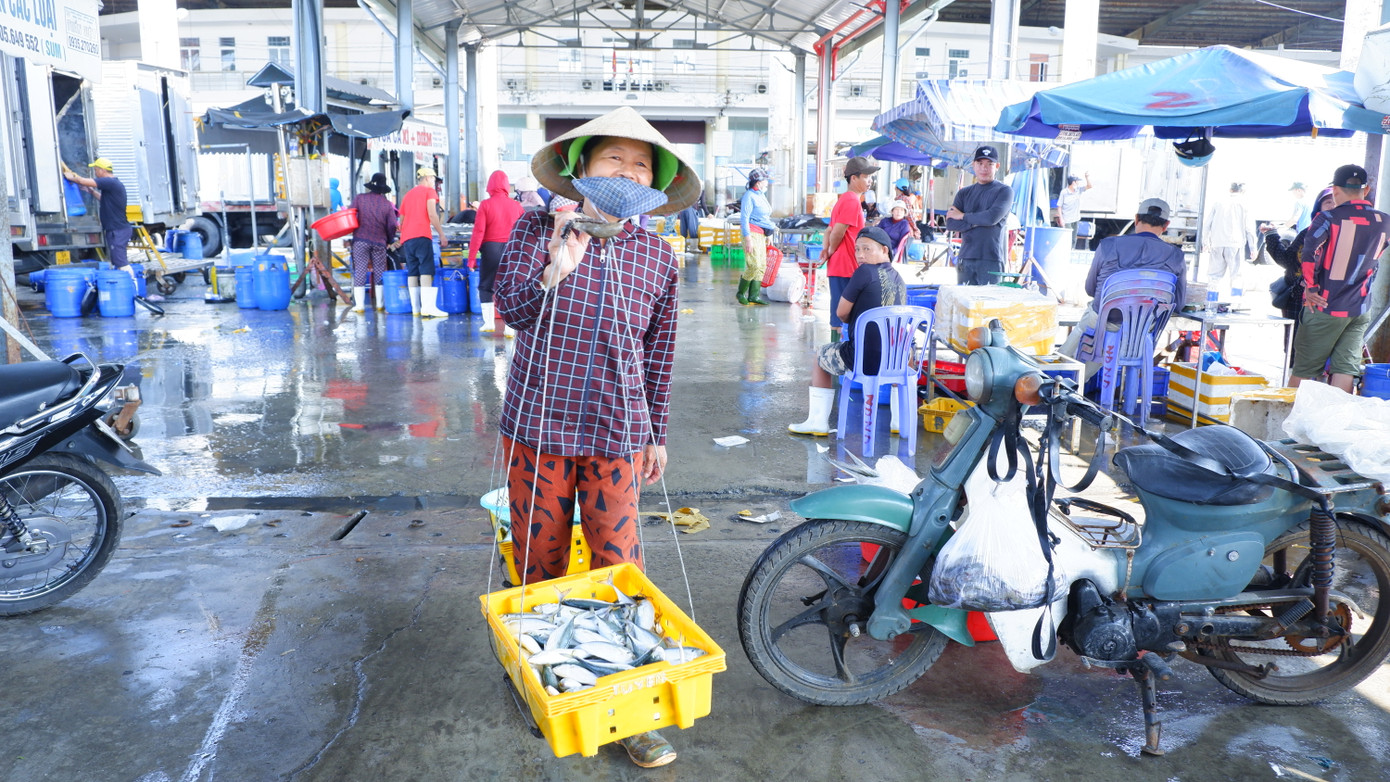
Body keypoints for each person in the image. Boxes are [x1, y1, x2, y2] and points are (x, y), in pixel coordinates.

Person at [493, 105, 701, 769]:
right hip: (539, 426)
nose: (628, 171)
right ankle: (542, 678)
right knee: (538, 564)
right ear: (580, 168)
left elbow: (660, 355)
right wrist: (559, 262)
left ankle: (628, 711)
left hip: (616, 431)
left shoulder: (656, 257)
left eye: (642, 164)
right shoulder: (536, 226)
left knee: (620, 569)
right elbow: (512, 311)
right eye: (615, 158)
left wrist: (656, 433)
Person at [788, 226, 907, 435]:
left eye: (867, 249)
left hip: (864, 360)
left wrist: (855, 317)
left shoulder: (864, 272)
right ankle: (897, 422)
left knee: (820, 356)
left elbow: (841, 313)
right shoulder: (899, 279)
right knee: (900, 351)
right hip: (896, 361)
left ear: (884, 250)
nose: (860, 255)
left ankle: (817, 422)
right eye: (857, 250)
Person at [1289, 164, 1390, 393]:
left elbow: (1309, 252)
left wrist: (1311, 288)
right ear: (1366, 190)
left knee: (1304, 371)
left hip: (1325, 305)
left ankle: (1287, 424)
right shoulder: (1385, 221)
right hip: (1361, 307)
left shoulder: (1328, 218)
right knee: (1345, 367)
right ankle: (1333, 425)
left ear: (1334, 190)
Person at [1061, 198, 1186, 380]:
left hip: (1103, 323)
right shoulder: (1176, 256)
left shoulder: (1108, 246)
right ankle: (1070, 379)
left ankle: (1061, 378)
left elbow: (1090, 290)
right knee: (1106, 331)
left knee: (1093, 323)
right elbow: (1179, 304)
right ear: (1166, 225)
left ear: (1136, 219)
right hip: (1142, 332)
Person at [824, 157, 878, 336]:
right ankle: (838, 353)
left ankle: (838, 351)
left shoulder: (845, 199)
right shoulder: (851, 201)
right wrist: (831, 250)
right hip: (845, 265)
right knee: (842, 313)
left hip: (840, 265)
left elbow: (828, 230)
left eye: (870, 177)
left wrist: (827, 251)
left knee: (839, 310)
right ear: (853, 178)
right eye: (865, 176)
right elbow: (837, 231)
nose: (869, 180)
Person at [1263, 186, 1335, 321]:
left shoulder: (1352, 236)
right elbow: (1286, 260)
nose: (1333, 206)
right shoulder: (1307, 233)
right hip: (1297, 300)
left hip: (1332, 304)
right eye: (1328, 202)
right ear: (1319, 208)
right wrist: (1271, 235)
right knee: (1295, 340)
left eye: (1337, 202)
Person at [945, 145, 1014, 285]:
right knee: (965, 304)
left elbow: (991, 218)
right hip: (965, 258)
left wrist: (963, 216)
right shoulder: (964, 193)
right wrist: (980, 220)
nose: (984, 168)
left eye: (990, 164)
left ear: (997, 166)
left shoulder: (1005, 191)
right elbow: (951, 223)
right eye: (980, 163)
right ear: (973, 165)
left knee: (989, 305)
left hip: (992, 259)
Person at [468, 170, 525, 334]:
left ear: (490, 185)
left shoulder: (485, 205)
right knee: (510, 286)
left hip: (490, 250)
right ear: (507, 185)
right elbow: (522, 232)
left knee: (486, 286)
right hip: (511, 249)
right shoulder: (516, 206)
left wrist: (471, 259)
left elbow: (478, 232)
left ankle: (488, 323)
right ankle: (509, 327)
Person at [62, 157, 133, 276]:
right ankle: (123, 286)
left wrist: (72, 177)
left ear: (102, 170)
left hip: (118, 230)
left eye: (96, 170)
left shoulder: (110, 182)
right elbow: (104, 200)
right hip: (116, 229)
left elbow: (84, 181)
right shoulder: (112, 185)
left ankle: (131, 285)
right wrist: (91, 192)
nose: (95, 172)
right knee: (117, 261)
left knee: (121, 262)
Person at [397, 167, 449, 318]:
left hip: (408, 238)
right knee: (426, 269)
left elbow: (402, 218)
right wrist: (441, 234)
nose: (434, 182)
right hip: (422, 234)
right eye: (433, 178)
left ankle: (416, 309)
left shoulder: (408, 194)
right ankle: (427, 308)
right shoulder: (429, 192)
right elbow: (432, 214)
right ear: (427, 178)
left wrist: (403, 234)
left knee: (412, 270)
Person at [347, 173, 399, 313]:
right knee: (379, 272)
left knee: (360, 271)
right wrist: (389, 240)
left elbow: (349, 215)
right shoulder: (387, 205)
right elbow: (392, 225)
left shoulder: (360, 199)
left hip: (360, 240)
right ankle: (380, 305)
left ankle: (360, 306)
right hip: (379, 242)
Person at [1202, 182, 1257, 297]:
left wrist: (1205, 242)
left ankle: (1211, 302)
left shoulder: (1218, 203)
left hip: (1217, 244)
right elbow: (1250, 229)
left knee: (1214, 277)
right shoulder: (1245, 204)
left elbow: (1207, 225)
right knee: (1236, 276)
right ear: (1243, 192)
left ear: (1230, 190)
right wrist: (1253, 248)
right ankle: (1235, 303)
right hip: (1235, 244)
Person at [737, 169, 775, 306]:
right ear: (758, 182)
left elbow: (765, 216)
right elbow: (744, 218)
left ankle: (754, 296)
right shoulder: (749, 196)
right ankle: (741, 293)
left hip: (761, 234)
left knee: (762, 266)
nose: (767, 182)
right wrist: (748, 239)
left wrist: (768, 234)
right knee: (754, 265)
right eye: (765, 180)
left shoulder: (761, 195)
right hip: (751, 234)